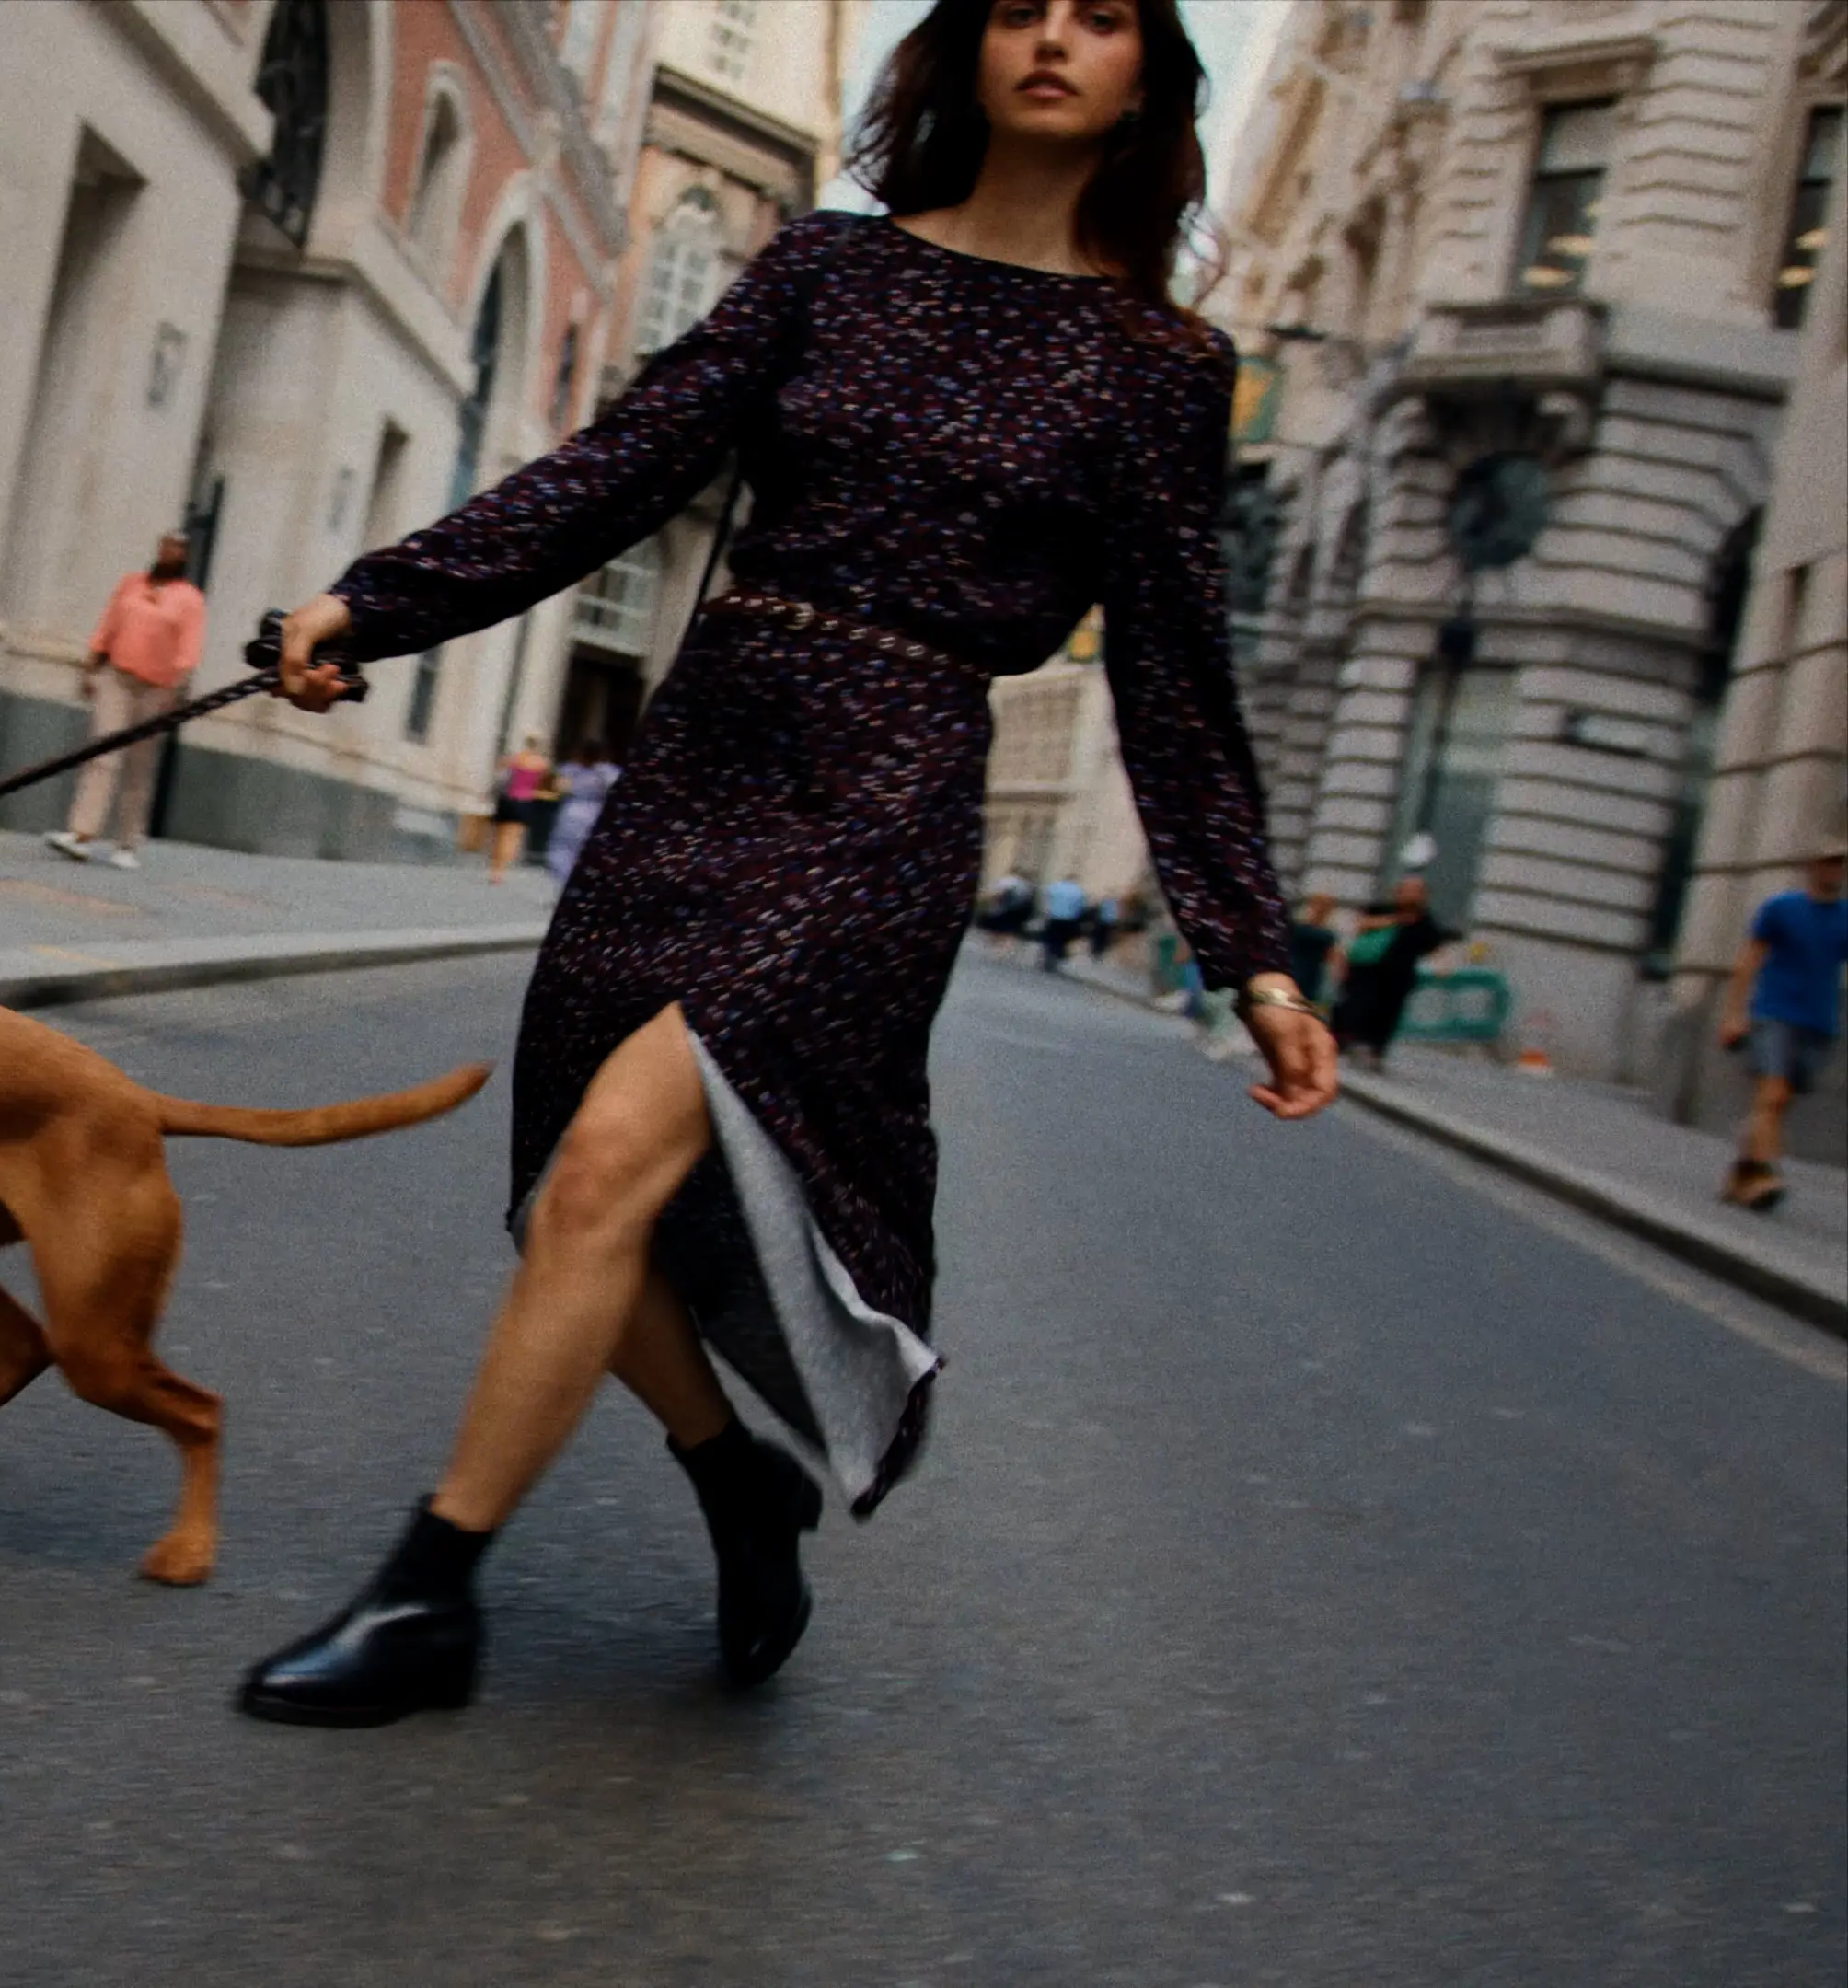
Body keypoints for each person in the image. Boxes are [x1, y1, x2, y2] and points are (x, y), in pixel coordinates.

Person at [232, 0, 1334, 1728]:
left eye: (1102, 15)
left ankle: (429, 1597)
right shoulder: (829, 266)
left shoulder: (1159, 365)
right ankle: (735, 1476)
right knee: (577, 1206)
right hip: (706, 749)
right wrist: (376, 602)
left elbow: (1175, 676)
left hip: (887, 794)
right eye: (1022, 8)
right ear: (966, 46)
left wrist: (1251, 951)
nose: (1054, 39)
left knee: (609, 1166)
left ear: (1147, 77)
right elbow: (622, 467)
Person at [45, 531, 207, 872]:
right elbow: (108, 625)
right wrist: (91, 666)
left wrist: (177, 692)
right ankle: (82, 833)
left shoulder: (190, 599)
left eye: (176, 549)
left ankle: (127, 842)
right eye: (165, 546)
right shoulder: (131, 584)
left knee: (139, 764)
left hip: (157, 689)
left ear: (185, 557)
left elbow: (188, 649)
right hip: (118, 677)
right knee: (102, 752)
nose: (168, 553)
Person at [1715, 844, 1848, 1211]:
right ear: (1811, 867)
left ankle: (1741, 1173)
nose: (1836, 870)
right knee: (1771, 1095)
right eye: (1830, 862)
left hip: (1818, 1023)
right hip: (1773, 1013)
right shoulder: (1781, 909)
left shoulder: (1844, 917)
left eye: (1841, 864)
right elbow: (1747, 961)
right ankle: (1766, 1174)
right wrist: (1733, 1014)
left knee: (1776, 1104)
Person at [1330, 873, 1451, 1074]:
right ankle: (1353, 1041)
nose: (1412, 895)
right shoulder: (1382, 909)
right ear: (1398, 892)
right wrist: (1396, 920)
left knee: (1387, 1014)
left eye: (1417, 891)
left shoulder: (1425, 920)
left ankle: (1375, 1050)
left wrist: (1443, 966)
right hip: (1365, 972)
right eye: (1408, 890)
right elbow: (1359, 925)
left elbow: (1435, 947)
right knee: (1357, 1006)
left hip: (1398, 977)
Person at [545, 742, 620, 884]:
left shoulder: (570, 769)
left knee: (563, 849)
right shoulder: (610, 771)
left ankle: (565, 881)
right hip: (597, 811)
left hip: (573, 810)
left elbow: (560, 788)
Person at [486, 737, 557, 884]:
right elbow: (549, 783)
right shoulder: (542, 764)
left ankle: (495, 868)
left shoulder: (516, 758)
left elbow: (499, 768)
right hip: (525, 801)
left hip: (508, 799)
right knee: (512, 836)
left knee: (499, 836)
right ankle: (500, 872)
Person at [1285, 891, 1341, 1008]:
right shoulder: (1298, 926)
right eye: (1319, 904)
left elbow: (1332, 957)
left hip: (1312, 973)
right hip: (1294, 968)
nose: (1322, 908)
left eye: (1326, 905)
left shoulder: (1327, 932)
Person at [1035, 872, 1088, 972]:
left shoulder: (1055, 887)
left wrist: (1046, 911)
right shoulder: (1078, 891)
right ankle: (1056, 956)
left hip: (1053, 917)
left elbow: (1046, 899)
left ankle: (1047, 955)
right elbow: (1082, 907)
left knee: (1050, 937)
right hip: (1069, 919)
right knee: (1062, 939)